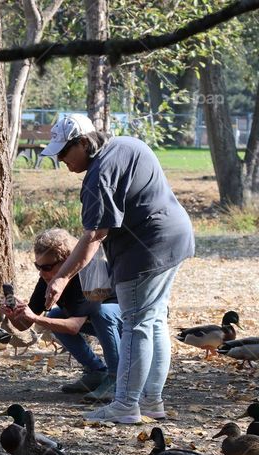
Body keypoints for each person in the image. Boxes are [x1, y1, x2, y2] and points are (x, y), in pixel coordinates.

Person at [39, 114, 195, 424]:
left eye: (64, 152)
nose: (61, 160)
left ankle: (125, 404)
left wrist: (60, 278)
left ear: (84, 142)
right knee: (152, 322)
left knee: (136, 324)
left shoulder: (98, 175)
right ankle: (151, 402)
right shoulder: (125, 145)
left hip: (146, 252)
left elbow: (94, 235)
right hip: (175, 237)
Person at [1, 228, 121, 401]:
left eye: (47, 267)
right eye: (38, 266)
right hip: (99, 322)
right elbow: (24, 325)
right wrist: (14, 315)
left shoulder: (87, 275)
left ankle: (116, 378)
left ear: (67, 262)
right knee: (55, 316)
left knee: (101, 313)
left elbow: (74, 327)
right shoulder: (47, 278)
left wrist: (35, 318)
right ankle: (96, 372)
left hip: (125, 322)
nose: (41, 273)